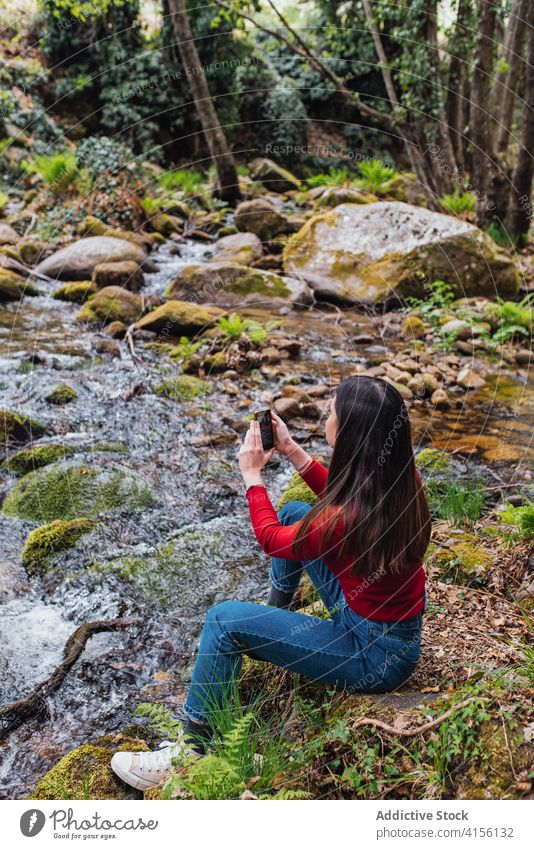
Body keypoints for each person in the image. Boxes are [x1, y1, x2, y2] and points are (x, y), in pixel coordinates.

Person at [112, 376, 431, 790]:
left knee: (224, 621)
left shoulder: (342, 521)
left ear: (350, 434)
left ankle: (191, 747)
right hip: (384, 627)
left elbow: (271, 541)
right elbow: (344, 497)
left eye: (331, 413)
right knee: (297, 508)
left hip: (373, 656)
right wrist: (292, 451)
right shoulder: (399, 480)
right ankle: (276, 619)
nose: (326, 419)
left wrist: (251, 476)